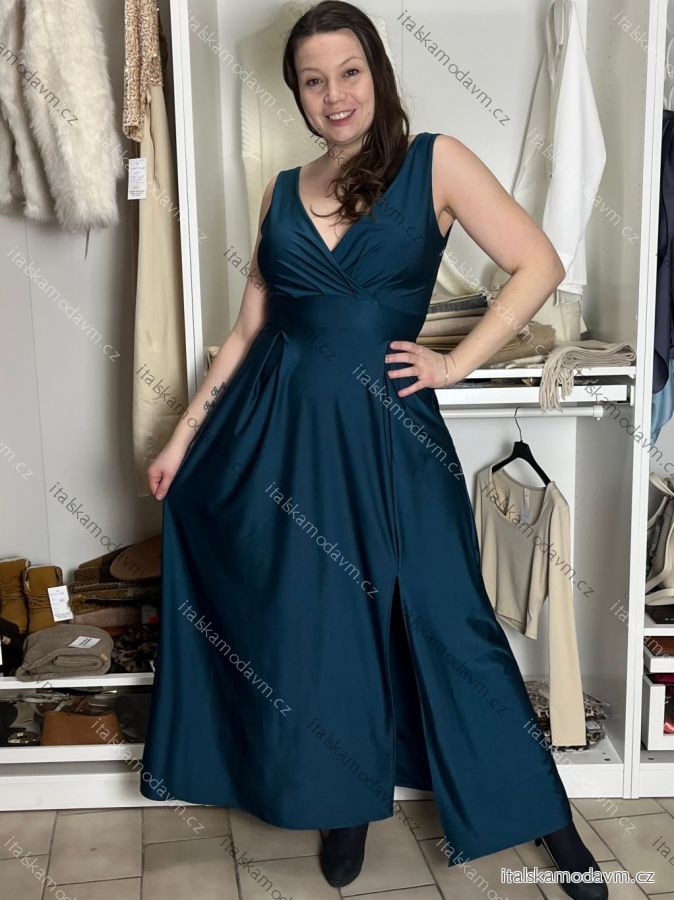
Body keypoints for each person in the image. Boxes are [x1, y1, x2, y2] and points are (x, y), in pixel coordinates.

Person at [141, 3, 608, 898]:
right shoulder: (282, 189)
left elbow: (539, 263)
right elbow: (248, 332)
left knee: (453, 622)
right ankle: (346, 806)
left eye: (349, 72)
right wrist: (181, 437)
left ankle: (553, 826)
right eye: (313, 81)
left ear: (377, 73)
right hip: (282, 439)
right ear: (297, 95)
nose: (334, 95)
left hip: (393, 436)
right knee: (323, 628)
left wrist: (454, 363)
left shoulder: (436, 161)